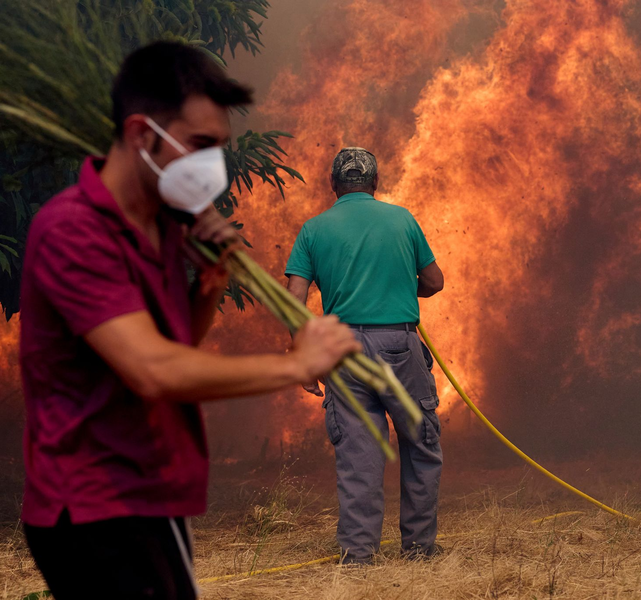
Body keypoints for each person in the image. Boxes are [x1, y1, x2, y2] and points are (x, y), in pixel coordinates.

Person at [19, 42, 360, 600]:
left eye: (219, 148)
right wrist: (295, 362)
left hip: (149, 486)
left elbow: (174, 346)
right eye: (199, 145)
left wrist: (209, 287)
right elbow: (152, 370)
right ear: (140, 134)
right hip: (95, 501)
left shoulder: (162, 227)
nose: (211, 165)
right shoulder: (74, 232)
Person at [285, 147, 445, 564]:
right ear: (375, 184)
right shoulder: (402, 219)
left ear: (334, 186)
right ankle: (419, 549)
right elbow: (433, 281)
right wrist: (398, 288)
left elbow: (294, 299)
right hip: (399, 344)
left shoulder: (314, 229)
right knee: (420, 443)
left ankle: (358, 556)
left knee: (359, 453)